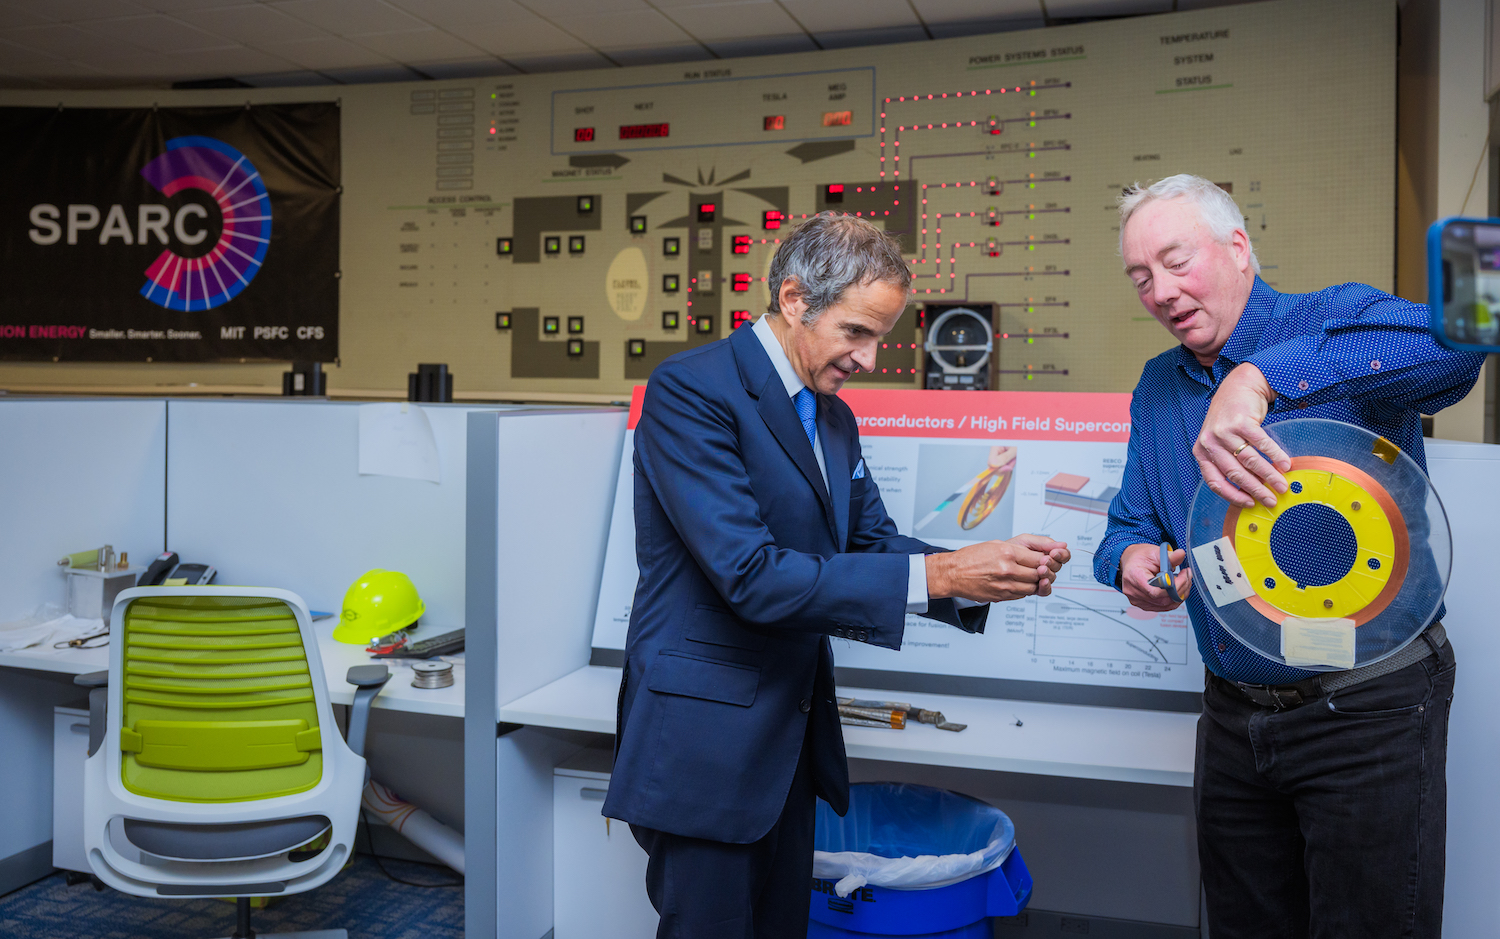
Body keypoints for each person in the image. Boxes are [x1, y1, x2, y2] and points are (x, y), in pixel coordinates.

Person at [603, 212, 1070, 939]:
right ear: (794, 299)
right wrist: (943, 575)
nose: (871, 357)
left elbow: (871, 541)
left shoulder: (832, 419)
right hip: (703, 747)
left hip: (785, 743)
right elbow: (751, 575)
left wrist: (983, 576)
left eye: (880, 336)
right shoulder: (690, 393)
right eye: (857, 331)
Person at [1096, 174, 1484, 938]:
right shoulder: (1157, 385)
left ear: (1238, 247)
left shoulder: (1334, 317)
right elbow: (1127, 523)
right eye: (1141, 277)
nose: (1160, 290)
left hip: (1367, 707)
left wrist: (1261, 376)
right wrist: (1131, 559)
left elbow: (1458, 347)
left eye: (1176, 262)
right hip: (1233, 716)